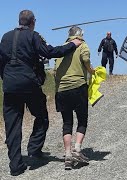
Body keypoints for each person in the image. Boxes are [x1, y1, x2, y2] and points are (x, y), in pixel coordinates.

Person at [0, 10, 82, 176]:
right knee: (42, 116)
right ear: (32, 22)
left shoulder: (5, 37)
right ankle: (34, 149)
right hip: (29, 84)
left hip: (9, 86)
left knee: (12, 126)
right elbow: (50, 52)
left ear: (19, 21)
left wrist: (6, 78)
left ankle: (15, 166)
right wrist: (72, 45)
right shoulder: (33, 36)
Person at [54, 26, 95, 170]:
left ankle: (67, 156)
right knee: (82, 119)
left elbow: (55, 71)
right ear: (80, 35)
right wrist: (92, 70)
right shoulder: (82, 45)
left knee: (67, 122)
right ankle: (77, 150)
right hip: (78, 87)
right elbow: (86, 59)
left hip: (62, 90)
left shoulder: (62, 48)